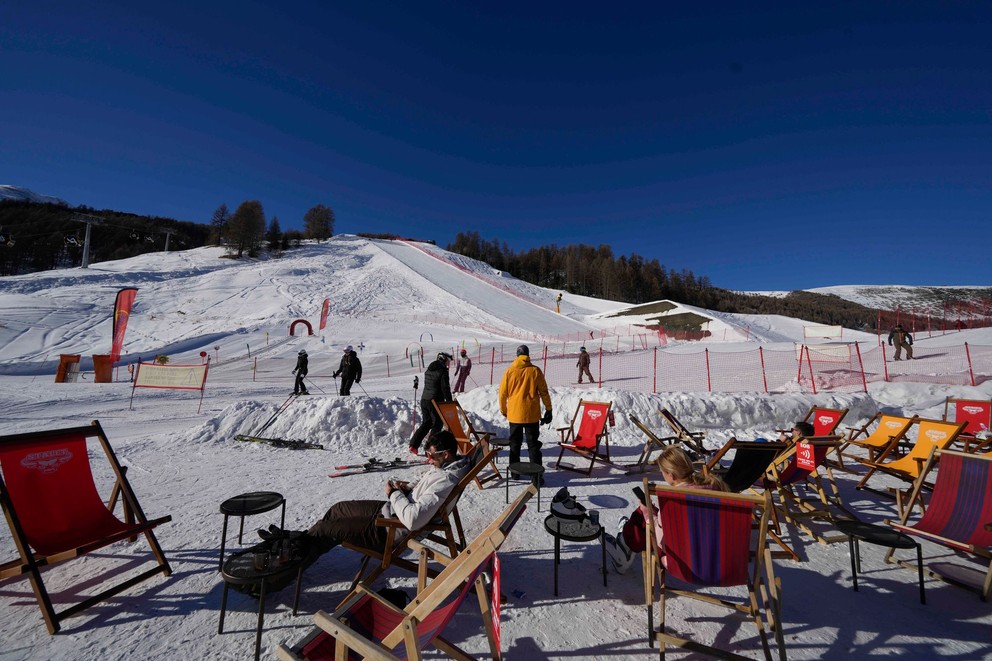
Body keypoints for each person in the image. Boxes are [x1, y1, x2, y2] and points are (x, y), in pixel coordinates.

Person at [258, 431, 469, 573]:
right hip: (391, 511)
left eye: (431, 455)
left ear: (447, 454)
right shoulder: (446, 467)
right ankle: (301, 546)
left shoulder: (446, 480)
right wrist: (407, 488)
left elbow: (413, 521)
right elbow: (426, 487)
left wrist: (393, 494)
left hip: (391, 529)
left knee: (326, 529)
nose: (428, 459)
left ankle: (291, 557)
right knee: (337, 509)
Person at [604, 445, 728, 574]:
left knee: (643, 517)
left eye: (662, 472)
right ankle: (625, 540)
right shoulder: (715, 489)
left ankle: (625, 542)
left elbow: (659, 538)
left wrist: (648, 513)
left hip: (683, 561)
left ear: (671, 475)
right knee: (649, 515)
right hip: (715, 556)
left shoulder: (673, 502)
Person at [498, 344, 552, 485]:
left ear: (517, 355)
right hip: (531, 415)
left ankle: (515, 473)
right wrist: (549, 409)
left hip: (515, 415)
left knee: (514, 444)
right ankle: (536, 477)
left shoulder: (509, 371)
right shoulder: (535, 371)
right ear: (528, 355)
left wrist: (504, 410)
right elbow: (544, 391)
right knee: (533, 445)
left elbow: (502, 393)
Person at [408, 352, 453, 454]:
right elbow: (445, 388)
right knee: (437, 424)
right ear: (444, 360)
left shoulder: (429, 369)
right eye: (448, 361)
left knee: (427, 423)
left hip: (425, 399)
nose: (448, 364)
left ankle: (413, 445)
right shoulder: (442, 371)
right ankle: (430, 450)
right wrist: (449, 402)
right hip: (434, 401)